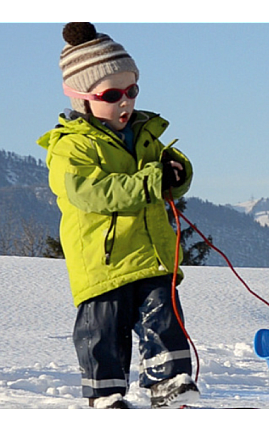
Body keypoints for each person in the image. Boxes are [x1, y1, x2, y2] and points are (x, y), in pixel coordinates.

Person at [37, 22, 200, 409]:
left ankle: (170, 382)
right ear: (82, 99)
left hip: (151, 255)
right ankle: (105, 393)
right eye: (112, 94)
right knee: (103, 331)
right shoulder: (70, 148)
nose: (125, 101)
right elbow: (93, 193)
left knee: (164, 315)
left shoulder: (145, 134)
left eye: (132, 90)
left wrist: (175, 172)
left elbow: (162, 173)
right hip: (103, 261)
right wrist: (149, 182)